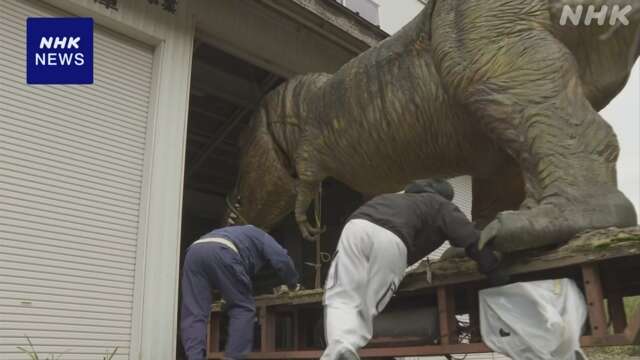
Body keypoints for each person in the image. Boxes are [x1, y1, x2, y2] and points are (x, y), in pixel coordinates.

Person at [321, 179, 506, 360]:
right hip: (391, 238)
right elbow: (469, 237)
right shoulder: (439, 204)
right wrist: (492, 267)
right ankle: (345, 350)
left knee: (340, 296)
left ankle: (339, 349)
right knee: (368, 303)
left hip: (354, 228)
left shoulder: (391, 198)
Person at [180, 225, 300, 360]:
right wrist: (292, 284)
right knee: (242, 308)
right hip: (223, 251)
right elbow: (281, 259)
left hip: (194, 253)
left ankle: (194, 357)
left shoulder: (237, 234)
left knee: (194, 313)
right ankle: (233, 357)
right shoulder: (261, 235)